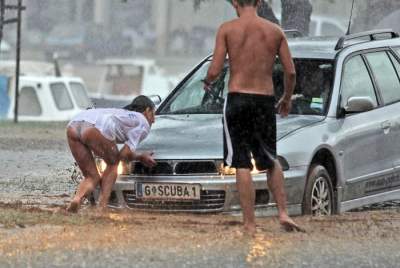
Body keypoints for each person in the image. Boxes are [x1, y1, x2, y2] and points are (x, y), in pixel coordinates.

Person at [203, 0, 303, 235]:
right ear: (259, 2)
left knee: (242, 163)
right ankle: (283, 213)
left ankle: (249, 224)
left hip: (237, 99)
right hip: (264, 101)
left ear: (234, 2)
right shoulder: (274, 31)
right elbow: (290, 71)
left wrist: (207, 82)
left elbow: (215, 69)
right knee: (270, 159)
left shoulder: (227, 29)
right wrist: (286, 98)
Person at [66, 95, 157, 212]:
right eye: (153, 114)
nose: (153, 120)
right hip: (95, 127)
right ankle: (102, 206)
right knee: (113, 163)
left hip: (74, 124)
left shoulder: (121, 113)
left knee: (91, 176)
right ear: (147, 111)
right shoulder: (143, 122)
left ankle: (77, 199)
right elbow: (124, 155)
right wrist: (141, 156)